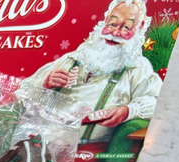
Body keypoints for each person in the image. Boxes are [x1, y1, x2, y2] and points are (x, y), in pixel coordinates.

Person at [22, 0, 162, 144]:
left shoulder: (137, 67)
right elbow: (22, 94)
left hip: (90, 148)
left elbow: (155, 102)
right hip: (43, 143)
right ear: (106, 19)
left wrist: (128, 111)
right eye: (112, 24)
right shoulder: (74, 58)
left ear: (140, 27)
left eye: (126, 27)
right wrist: (45, 84)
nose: (115, 33)